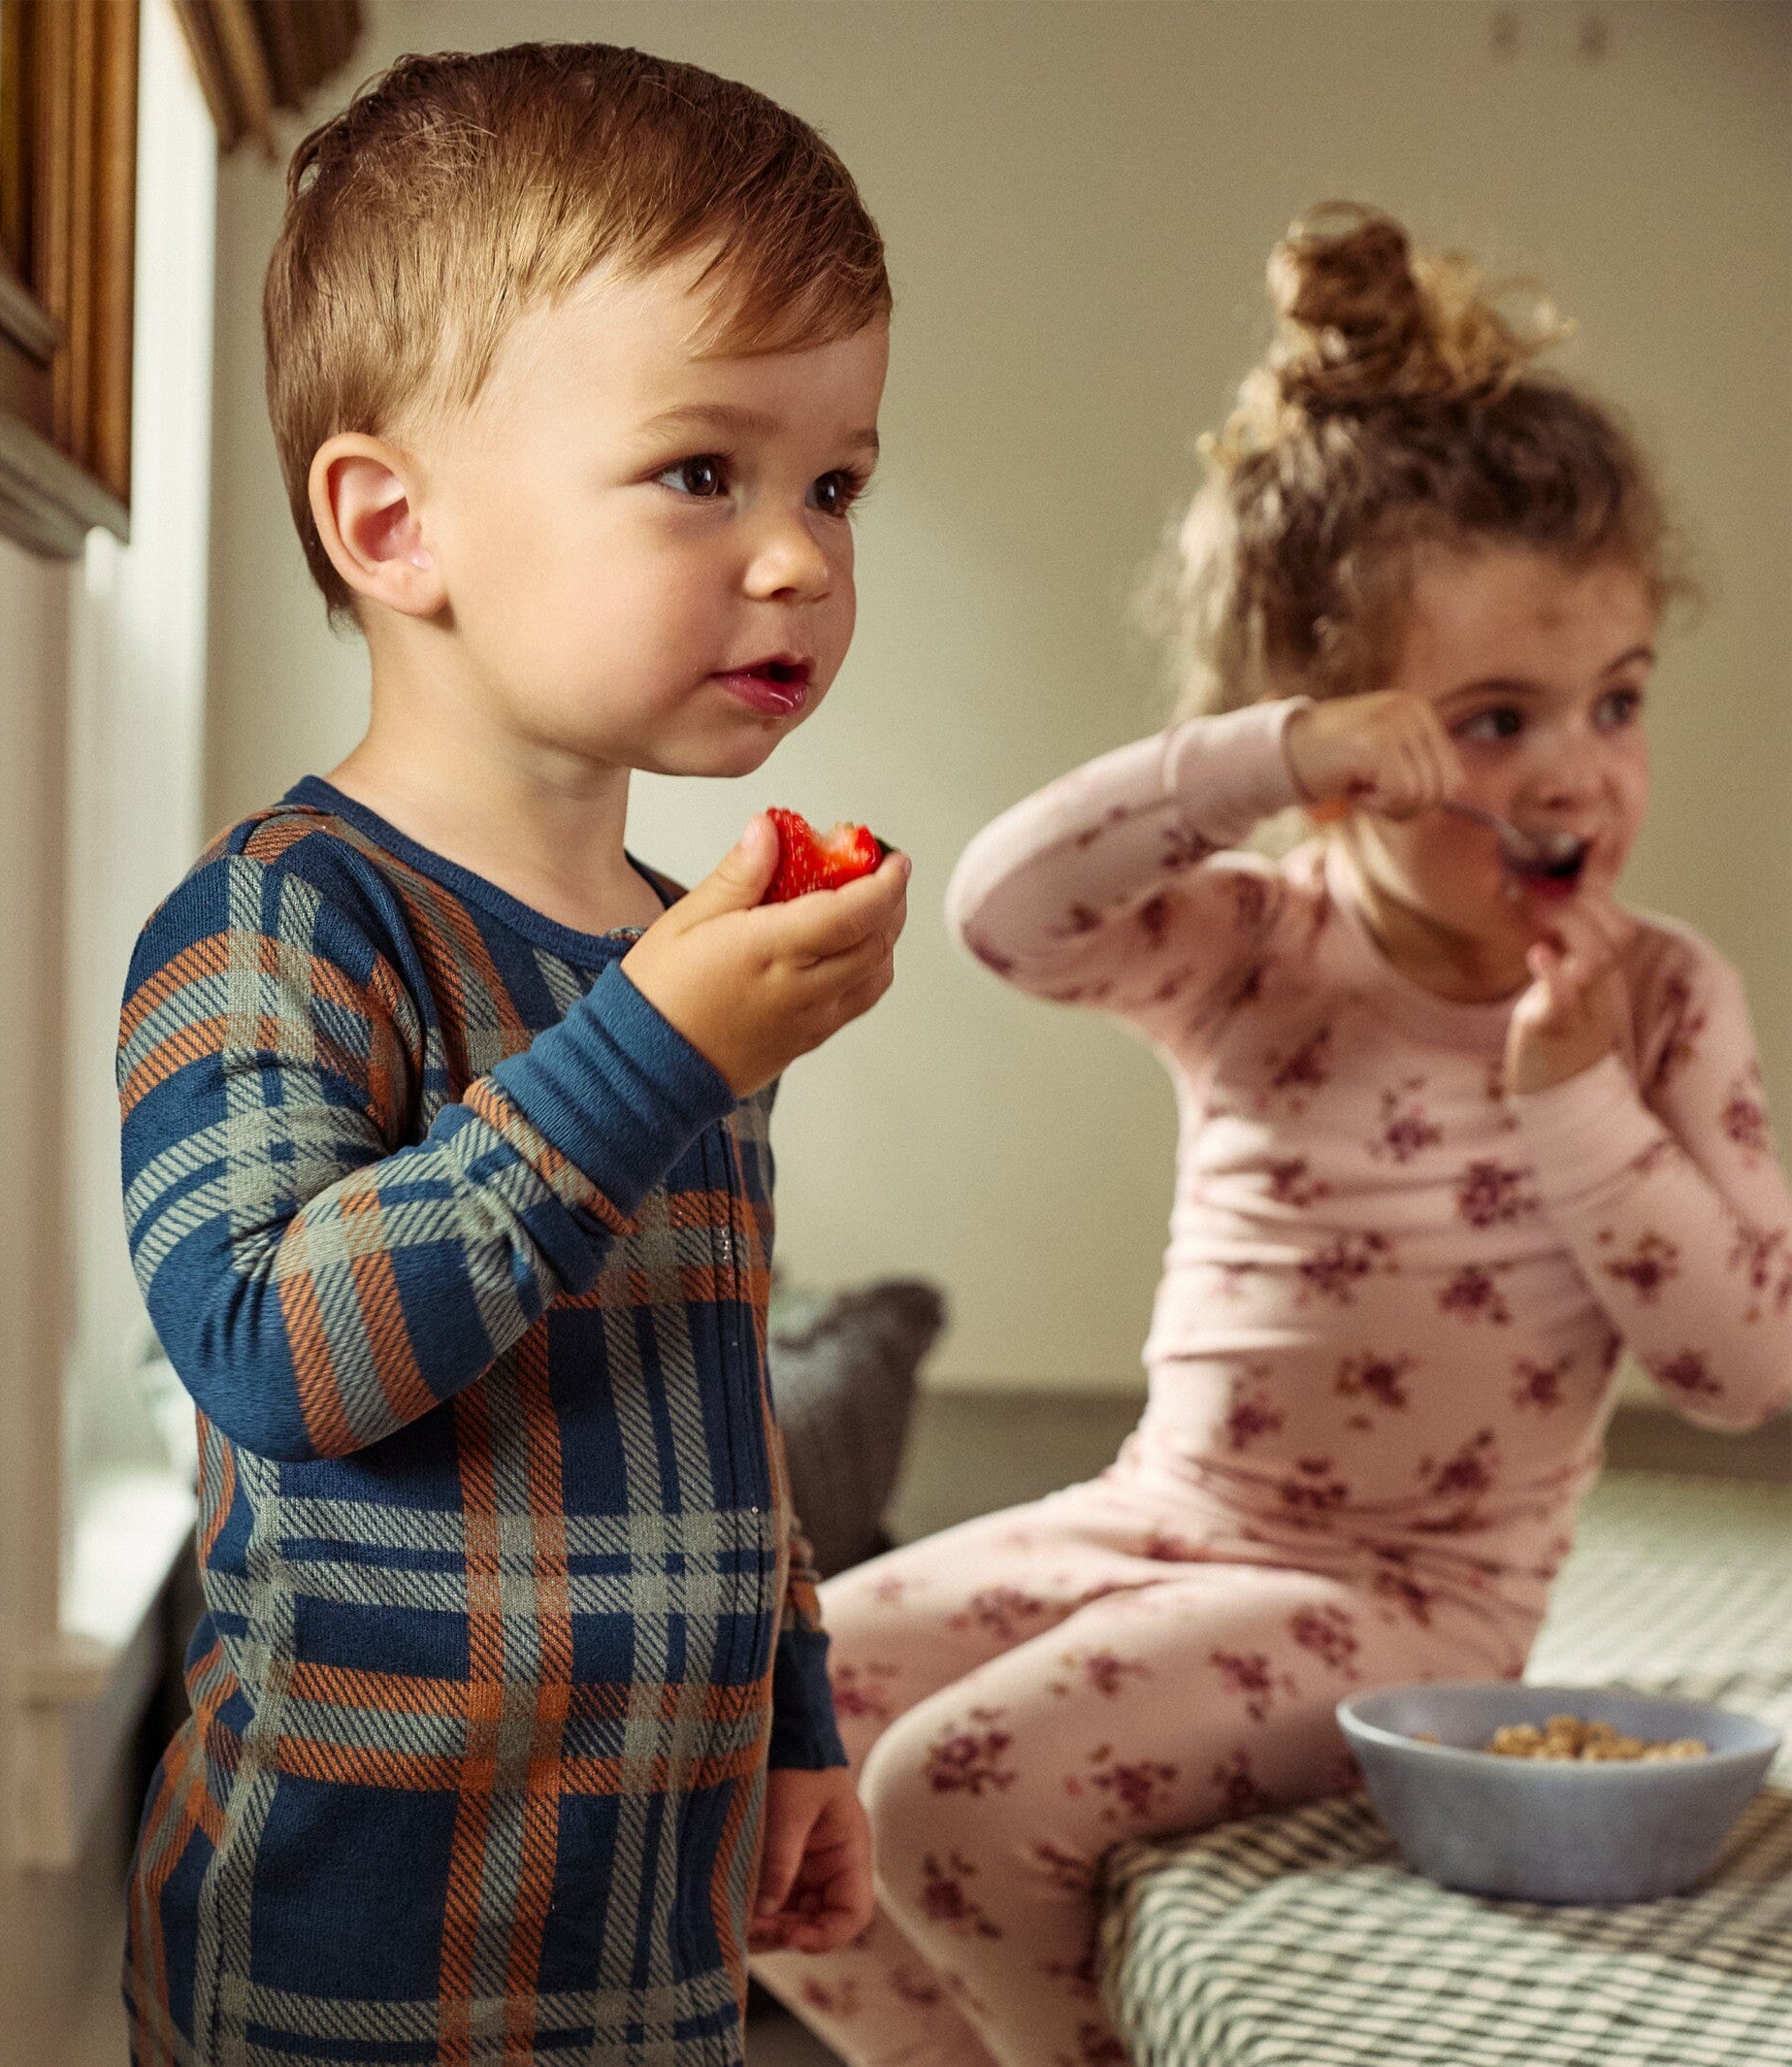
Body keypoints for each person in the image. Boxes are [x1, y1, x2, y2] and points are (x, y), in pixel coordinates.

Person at [751, 205, 1792, 2067]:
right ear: (1355, 733)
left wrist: (1569, 1098)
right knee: (751, 1733)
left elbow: (1738, 1364)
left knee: (950, 1795)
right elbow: (1002, 909)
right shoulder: (1259, 935)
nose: (1574, 768)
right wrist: (1259, 758)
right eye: (1493, 718)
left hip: (1407, 1607)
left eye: (1613, 701)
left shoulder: (1652, 1003)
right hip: (1157, 1519)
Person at [114, 44, 901, 2066]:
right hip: (345, 1939)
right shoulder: (281, 919)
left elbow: (711, 1396)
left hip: (643, 1930)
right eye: (703, 471)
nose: (803, 554)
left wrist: (797, 1720)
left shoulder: (673, 945)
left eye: (835, 479)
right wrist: (650, 1053)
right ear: (395, 524)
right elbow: (276, 1356)